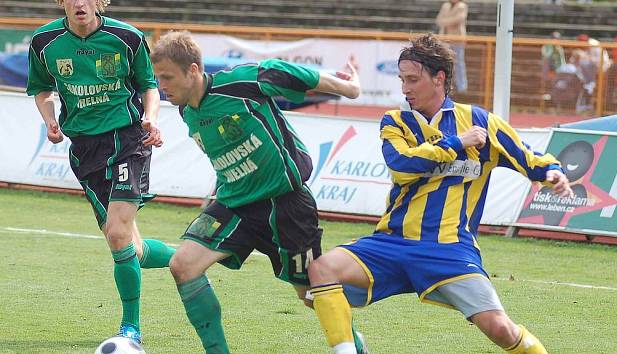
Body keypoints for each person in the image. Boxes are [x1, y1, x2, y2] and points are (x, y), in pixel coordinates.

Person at [307, 33, 573, 354]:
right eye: (402, 79)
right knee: (320, 272)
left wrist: (552, 172)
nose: (404, 88)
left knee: (500, 328)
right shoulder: (396, 120)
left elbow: (528, 158)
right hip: (391, 242)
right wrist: (456, 143)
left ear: (439, 78)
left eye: (412, 80)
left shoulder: (480, 121)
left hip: (450, 251)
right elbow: (402, 165)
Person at [149, 31, 363, 354]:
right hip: (235, 205)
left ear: (193, 71)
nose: (161, 87)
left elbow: (293, 74)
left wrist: (349, 88)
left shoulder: (242, 82)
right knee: (183, 264)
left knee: (310, 295)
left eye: (166, 78)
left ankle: (355, 346)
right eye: (158, 79)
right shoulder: (186, 110)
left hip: (286, 204)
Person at [26, 0, 176, 343]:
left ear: (100, 2)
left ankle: (130, 330)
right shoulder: (43, 42)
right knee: (130, 247)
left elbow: (149, 85)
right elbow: (42, 90)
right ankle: (187, 260)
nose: (80, 3)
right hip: (84, 150)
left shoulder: (127, 37)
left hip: (128, 140)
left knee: (117, 234)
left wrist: (151, 117)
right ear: (61, 2)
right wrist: (50, 119)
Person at [436, 0, 468, 93]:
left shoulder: (462, 6)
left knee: (459, 63)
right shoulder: (445, 5)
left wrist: (445, 21)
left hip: (457, 39)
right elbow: (438, 20)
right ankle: (446, 85)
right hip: (444, 40)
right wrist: (447, 21)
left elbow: (458, 19)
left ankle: (462, 87)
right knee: (444, 62)